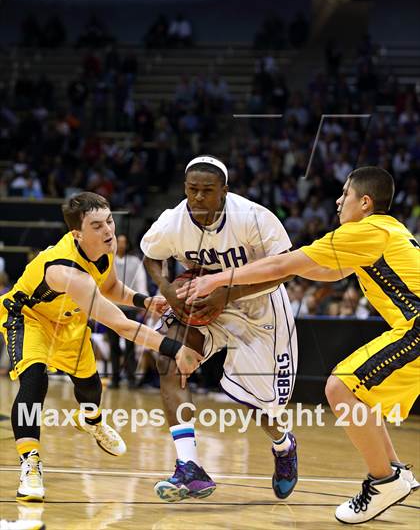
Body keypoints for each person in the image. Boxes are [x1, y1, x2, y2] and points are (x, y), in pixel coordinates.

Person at [178, 166, 419, 524]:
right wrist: (269, 272)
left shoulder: (366, 230)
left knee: (341, 387)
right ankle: (394, 473)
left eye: (345, 194)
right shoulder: (386, 231)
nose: (338, 201)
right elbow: (324, 271)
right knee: (357, 394)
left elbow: (289, 261)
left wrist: (218, 279)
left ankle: (384, 480)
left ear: (365, 202)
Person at [0, 192, 202, 503]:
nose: (108, 231)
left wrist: (145, 301)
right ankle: (30, 463)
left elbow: (109, 288)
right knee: (34, 379)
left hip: (68, 320)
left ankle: (90, 421)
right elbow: (120, 325)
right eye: (97, 226)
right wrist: (175, 348)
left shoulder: (104, 253)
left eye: (109, 221)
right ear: (76, 233)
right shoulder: (66, 270)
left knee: (90, 387)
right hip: (30, 318)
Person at [141, 156, 298, 502]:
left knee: (264, 410)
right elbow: (150, 254)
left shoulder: (254, 217)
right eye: (192, 190)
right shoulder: (172, 221)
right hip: (204, 304)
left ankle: (283, 445)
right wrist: (166, 288)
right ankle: (189, 467)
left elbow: (287, 268)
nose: (197, 198)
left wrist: (231, 292)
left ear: (224, 191)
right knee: (169, 358)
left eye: (206, 191)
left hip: (259, 306)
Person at [107, 234, 149, 389]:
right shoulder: (108, 260)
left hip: (129, 308)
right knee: (113, 345)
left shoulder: (134, 261)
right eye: (119, 242)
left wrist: (144, 303)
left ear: (128, 244)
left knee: (130, 344)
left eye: (124, 242)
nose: (122, 244)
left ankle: (131, 379)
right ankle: (115, 379)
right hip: (111, 308)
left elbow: (141, 281)